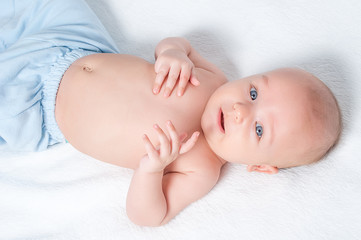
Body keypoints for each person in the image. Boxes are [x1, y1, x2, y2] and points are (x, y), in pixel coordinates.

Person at [0, 0, 341, 227]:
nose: (239, 110)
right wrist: (173, 53)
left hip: (35, 107)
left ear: (263, 167)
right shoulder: (215, 81)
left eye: (259, 130)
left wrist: (152, 169)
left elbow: (149, 216)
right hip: (77, 44)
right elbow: (182, 45)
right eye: (253, 92)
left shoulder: (201, 169)